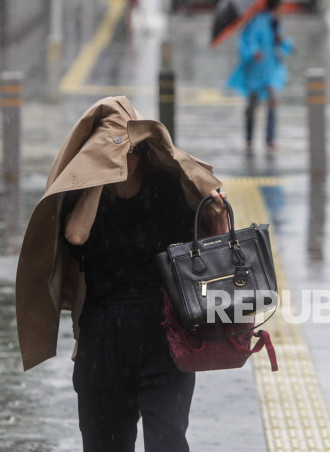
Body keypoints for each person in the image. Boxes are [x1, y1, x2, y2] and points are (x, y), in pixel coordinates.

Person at [15, 96, 229, 451]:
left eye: (125, 153)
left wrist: (219, 213)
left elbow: (210, 247)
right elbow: (76, 236)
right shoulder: (85, 199)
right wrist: (98, 176)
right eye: (107, 155)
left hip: (164, 335)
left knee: (168, 441)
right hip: (102, 340)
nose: (119, 161)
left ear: (142, 157)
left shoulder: (167, 190)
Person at [226, 0, 294, 152]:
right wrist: (254, 51)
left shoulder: (276, 24)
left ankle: (270, 139)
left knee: (272, 101)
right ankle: (249, 138)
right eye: (280, 7)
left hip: (271, 70)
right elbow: (247, 40)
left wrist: (282, 40)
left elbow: (285, 46)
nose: (282, 10)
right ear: (275, 7)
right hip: (255, 71)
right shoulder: (256, 21)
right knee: (252, 105)